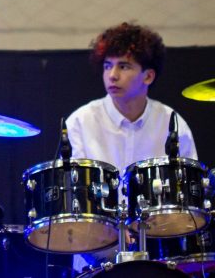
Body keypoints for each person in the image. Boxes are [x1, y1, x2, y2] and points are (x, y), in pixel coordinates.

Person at [65, 22, 198, 271]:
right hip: (94, 259)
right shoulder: (80, 122)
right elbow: (75, 200)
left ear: (148, 76)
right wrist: (113, 230)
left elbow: (188, 201)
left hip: (160, 255)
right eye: (107, 66)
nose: (112, 75)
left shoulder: (172, 123)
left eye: (123, 66)